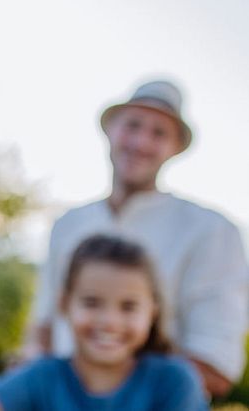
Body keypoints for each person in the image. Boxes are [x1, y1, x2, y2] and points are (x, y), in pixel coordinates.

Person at [26, 80, 249, 396]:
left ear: (175, 147)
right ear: (111, 130)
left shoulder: (213, 232)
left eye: (159, 133)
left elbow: (217, 364)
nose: (142, 142)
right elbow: (43, 330)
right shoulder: (68, 224)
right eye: (133, 125)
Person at [0, 234, 208, 411]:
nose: (110, 322)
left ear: (152, 312)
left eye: (128, 307)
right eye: (92, 303)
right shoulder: (39, 378)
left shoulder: (175, 382)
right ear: (64, 304)